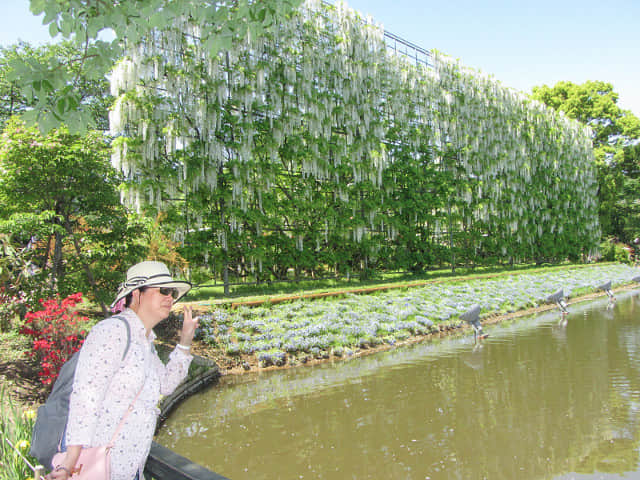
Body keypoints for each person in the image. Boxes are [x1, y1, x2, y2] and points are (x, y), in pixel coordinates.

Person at [47, 261, 199, 480]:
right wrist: (69, 463)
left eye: (173, 292)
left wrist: (185, 340)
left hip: (129, 467)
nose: (171, 298)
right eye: (164, 291)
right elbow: (86, 396)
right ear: (137, 294)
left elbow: (166, 384)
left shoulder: (145, 341)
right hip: (99, 466)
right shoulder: (112, 332)